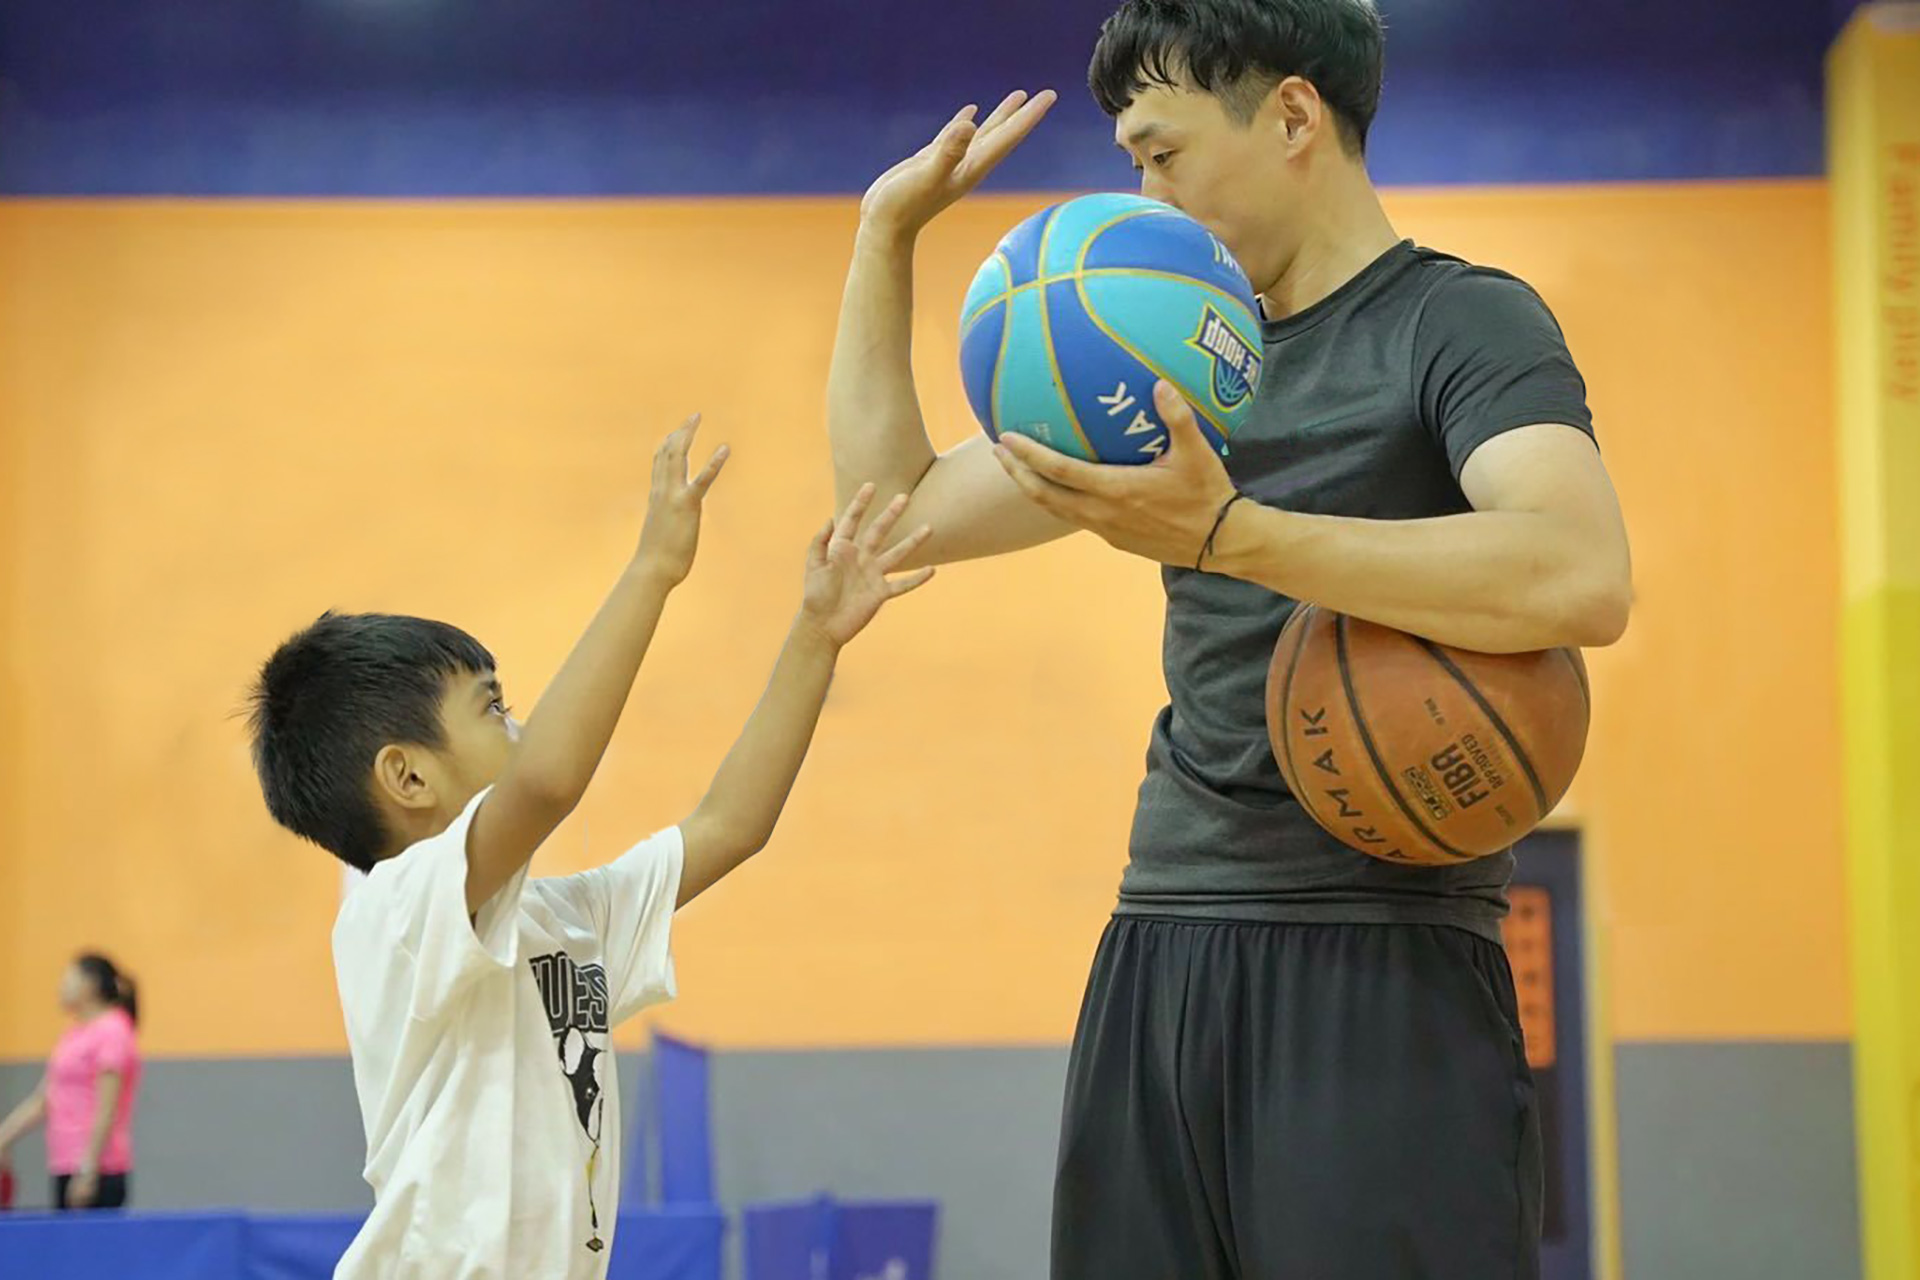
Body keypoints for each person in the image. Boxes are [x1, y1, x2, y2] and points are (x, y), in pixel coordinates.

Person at [826, 2, 1633, 1276]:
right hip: (1163, 941)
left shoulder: (1458, 323)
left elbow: (1579, 571)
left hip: (1384, 956)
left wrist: (1232, 534)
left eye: (1164, 153)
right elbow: (896, 513)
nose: (1146, 192)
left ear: (1294, 115)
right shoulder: (1166, 349)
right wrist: (885, 236)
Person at [246, 416, 931, 1280]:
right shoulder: (394, 911)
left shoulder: (560, 920)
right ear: (408, 777)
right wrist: (653, 568)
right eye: (494, 708)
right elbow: (547, 780)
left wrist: (816, 635)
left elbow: (730, 825)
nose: (520, 725)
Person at [0, 952, 144, 1210]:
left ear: (91, 984)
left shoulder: (113, 1030)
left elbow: (107, 1108)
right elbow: (44, 1099)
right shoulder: (73, 1034)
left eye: (68, 979)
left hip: (98, 1170)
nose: (60, 987)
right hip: (64, 1163)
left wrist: (88, 1169)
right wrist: (3, 1137)